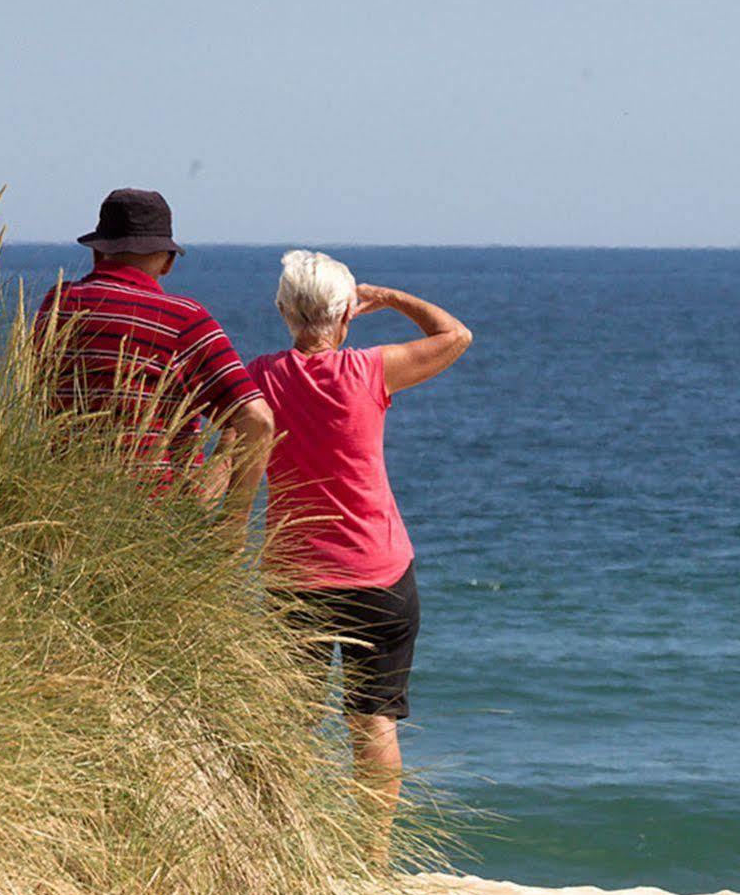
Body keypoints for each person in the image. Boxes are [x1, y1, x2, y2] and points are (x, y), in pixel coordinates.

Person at [248, 250, 472, 853]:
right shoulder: (369, 370)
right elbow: (456, 335)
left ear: (281, 310)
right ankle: (370, 858)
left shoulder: (261, 376)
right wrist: (391, 297)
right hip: (379, 571)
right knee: (372, 721)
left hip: (295, 575)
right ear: (349, 312)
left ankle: (284, 850)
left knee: (288, 723)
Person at [34, 188, 274, 525]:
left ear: (97, 253)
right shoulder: (184, 320)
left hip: (57, 520)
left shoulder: (56, 305)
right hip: (151, 531)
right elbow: (259, 421)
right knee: (232, 432)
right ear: (168, 261)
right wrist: (231, 531)